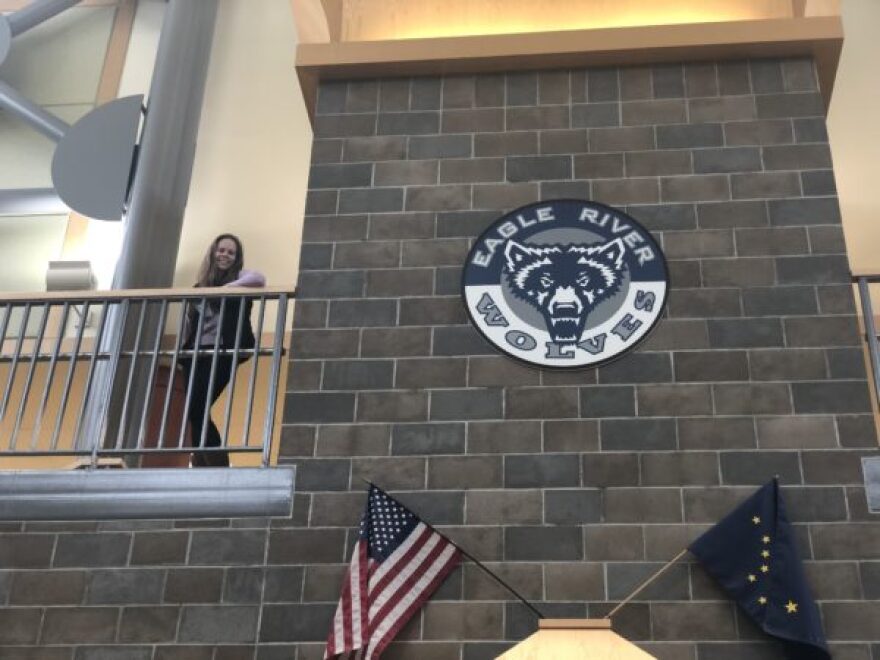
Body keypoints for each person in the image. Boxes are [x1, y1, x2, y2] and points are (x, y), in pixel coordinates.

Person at [179, 233, 265, 467]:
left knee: (197, 408)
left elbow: (259, 278)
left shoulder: (241, 278)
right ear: (212, 252)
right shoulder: (200, 287)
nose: (224, 255)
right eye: (221, 250)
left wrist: (227, 288)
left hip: (223, 353)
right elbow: (191, 323)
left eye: (230, 252)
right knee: (194, 412)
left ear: (236, 258)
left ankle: (217, 467)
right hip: (196, 354)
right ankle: (203, 465)